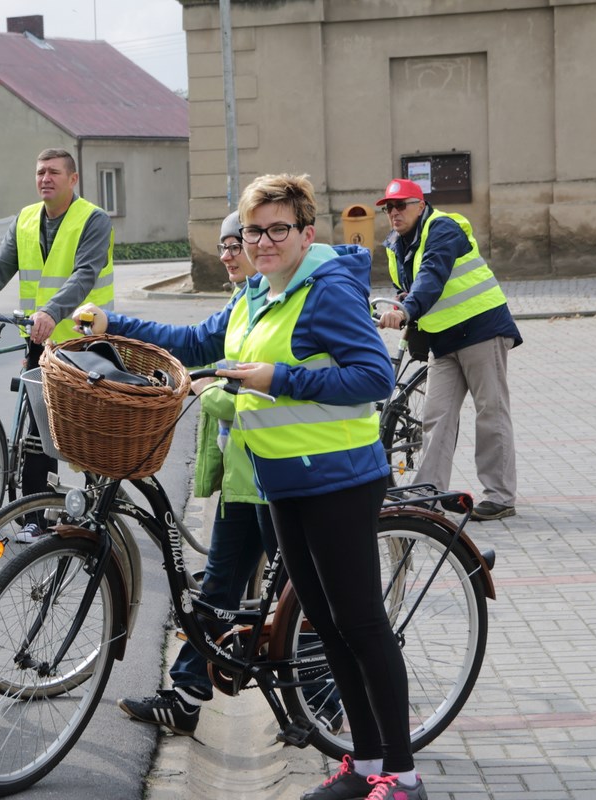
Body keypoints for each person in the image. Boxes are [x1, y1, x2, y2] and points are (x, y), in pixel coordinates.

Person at [205, 174, 421, 800]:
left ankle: (404, 777)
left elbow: (373, 377)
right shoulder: (258, 292)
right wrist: (110, 324)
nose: (263, 241)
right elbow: (199, 341)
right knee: (325, 626)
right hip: (284, 480)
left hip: (339, 480)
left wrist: (278, 378)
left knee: (362, 624)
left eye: (278, 229)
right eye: (254, 231)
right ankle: (365, 763)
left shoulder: (326, 290)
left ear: (306, 234)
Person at [74, 212, 278, 735]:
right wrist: (114, 326)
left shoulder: (281, 301)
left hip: (283, 477)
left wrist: (213, 392)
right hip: (245, 473)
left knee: (305, 595)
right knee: (218, 589)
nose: (229, 254)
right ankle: (186, 698)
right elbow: (191, 341)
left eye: (239, 242)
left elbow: (278, 386)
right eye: (226, 244)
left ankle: (326, 700)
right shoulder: (246, 300)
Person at [0, 147, 114, 543]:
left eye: (53, 172)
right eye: (40, 172)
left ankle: (100, 505)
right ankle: (35, 519)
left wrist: (52, 311)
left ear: (73, 179)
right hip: (40, 340)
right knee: (37, 431)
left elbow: (85, 273)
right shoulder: (25, 219)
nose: (45, 179)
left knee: (83, 431)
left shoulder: (93, 219)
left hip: (86, 340)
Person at [375, 178, 522, 521]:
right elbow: (411, 286)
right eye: (389, 208)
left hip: (481, 329)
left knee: (491, 412)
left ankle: (500, 496)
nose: (394, 213)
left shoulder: (443, 228)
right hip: (443, 339)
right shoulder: (396, 244)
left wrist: (407, 310)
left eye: (401, 205)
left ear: (420, 205)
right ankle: (427, 491)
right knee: (436, 415)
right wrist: (400, 301)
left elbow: (431, 276)